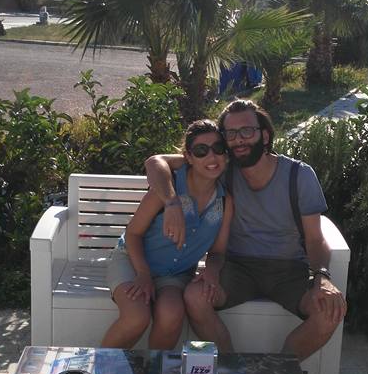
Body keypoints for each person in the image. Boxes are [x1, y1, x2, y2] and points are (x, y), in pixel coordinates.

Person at [144, 99, 346, 360]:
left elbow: (315, 239)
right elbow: (155, 162)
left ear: (265, 135)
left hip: (289, 271)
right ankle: (231, 370)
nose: (239, 139)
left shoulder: (299, 175)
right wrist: (172, 203)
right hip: (237, 269)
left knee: (330, 310)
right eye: (230, 134)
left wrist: (322, 277)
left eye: (247, 131)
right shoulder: (222, 169)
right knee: (195, 297)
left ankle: (277, 372)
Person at [101, 119, 233, 350]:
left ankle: (154, 369)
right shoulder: (167, 189)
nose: (211, 157)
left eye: (218, 148)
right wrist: (143, 274)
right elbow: (133, 234)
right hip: (133, 261)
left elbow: (218, 252)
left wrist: (211, 271)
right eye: (201, 151)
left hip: (175, 273)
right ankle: (101, 368)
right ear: (188, 157)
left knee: (172, 312)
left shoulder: (224, 201)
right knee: (136, 317)